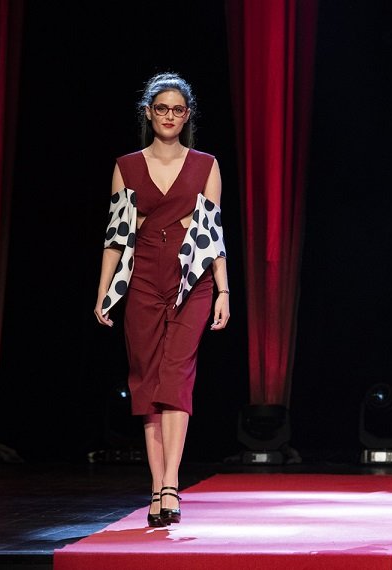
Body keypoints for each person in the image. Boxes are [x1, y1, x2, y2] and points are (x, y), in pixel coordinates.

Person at [94, 72, 230, 527]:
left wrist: (224, 290)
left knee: (176, 377)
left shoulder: (205, 165)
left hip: (192, 280)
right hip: (143, 280)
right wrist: (104, 292)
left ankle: (170, 484)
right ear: (148, 113)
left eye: (178, 109)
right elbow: (116, 236)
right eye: (162, 108)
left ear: (187, 115)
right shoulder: (127, 166)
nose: (170, 116)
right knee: (148, 381)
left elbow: (212, 235)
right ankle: (157, 487)